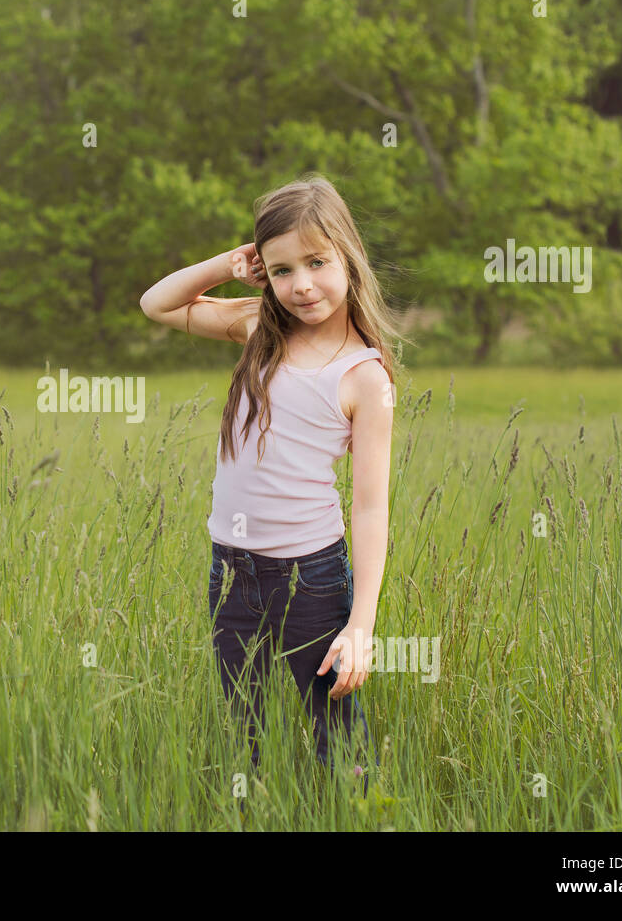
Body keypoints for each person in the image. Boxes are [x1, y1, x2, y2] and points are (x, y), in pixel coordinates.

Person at [139, 174, 400, 804]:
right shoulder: (261, 327)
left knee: (336, 729)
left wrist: (361, 622)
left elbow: (370, 510)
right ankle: (251, 812)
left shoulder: (363, 375)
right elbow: (158, 303)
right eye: (282, 270)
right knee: (243, 727)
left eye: (317, 263)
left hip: (310, 575)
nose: (302, 285)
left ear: (349, 260)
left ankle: (357, 814)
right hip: (231, 571)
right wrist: (228, 266)